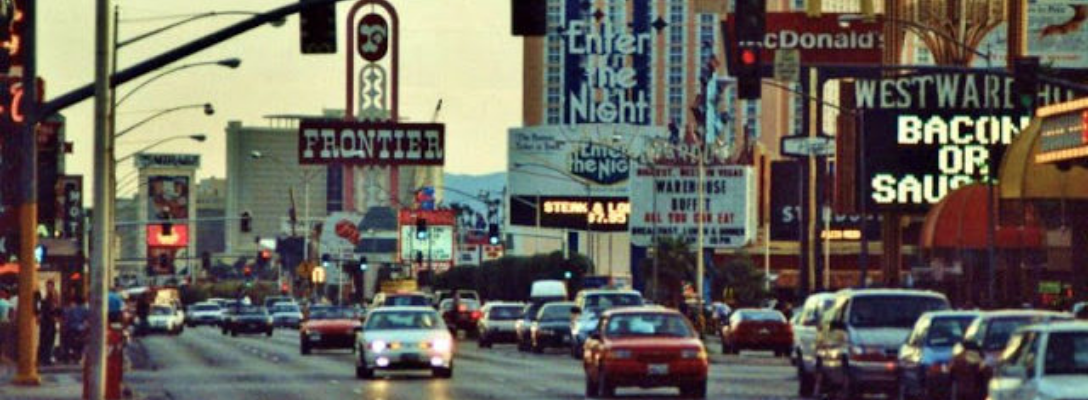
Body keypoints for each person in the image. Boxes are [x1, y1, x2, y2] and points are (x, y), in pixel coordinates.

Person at [60, 294, 89, 363]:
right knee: (81, 344)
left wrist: (65, 327)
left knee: (70, 343)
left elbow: (67, 319)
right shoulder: (85, 309)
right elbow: (87, 319)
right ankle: (78, 357)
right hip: (81, 329)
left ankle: (68, 358)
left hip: (72, 328)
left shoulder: (71, 309)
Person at [39, 280, 60, 365]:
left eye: (50, 286)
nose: (48, 288)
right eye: (47, 286)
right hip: (47, 322)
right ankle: (46, 358)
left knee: (48, 340)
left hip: (49, 322)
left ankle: (47, 358)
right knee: (46, 340)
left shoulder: (54, 296)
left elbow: (55, 309)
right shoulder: (47, 297)